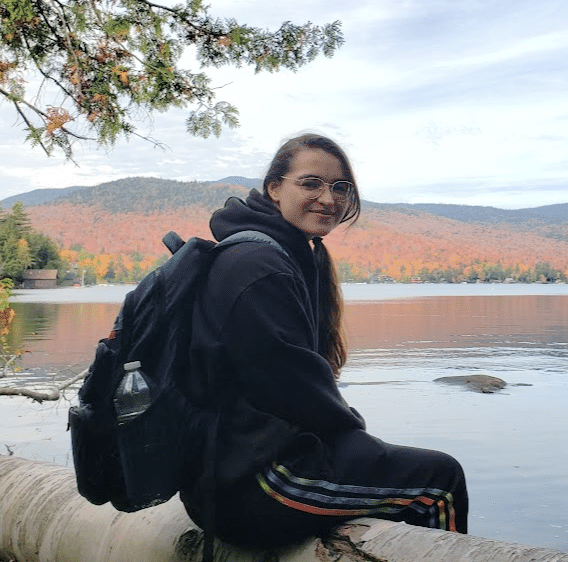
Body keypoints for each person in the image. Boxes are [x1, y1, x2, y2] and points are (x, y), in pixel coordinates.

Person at [180, 133, 468, 547]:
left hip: (227, 471)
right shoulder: (261, 265)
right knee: (440, 481)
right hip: (254, 484)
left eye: (340, 187)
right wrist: (355, 430)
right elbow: (292, 388)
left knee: (384, 457)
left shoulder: (281, 251)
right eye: (311, 183)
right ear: (275, 188)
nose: (328, 199)